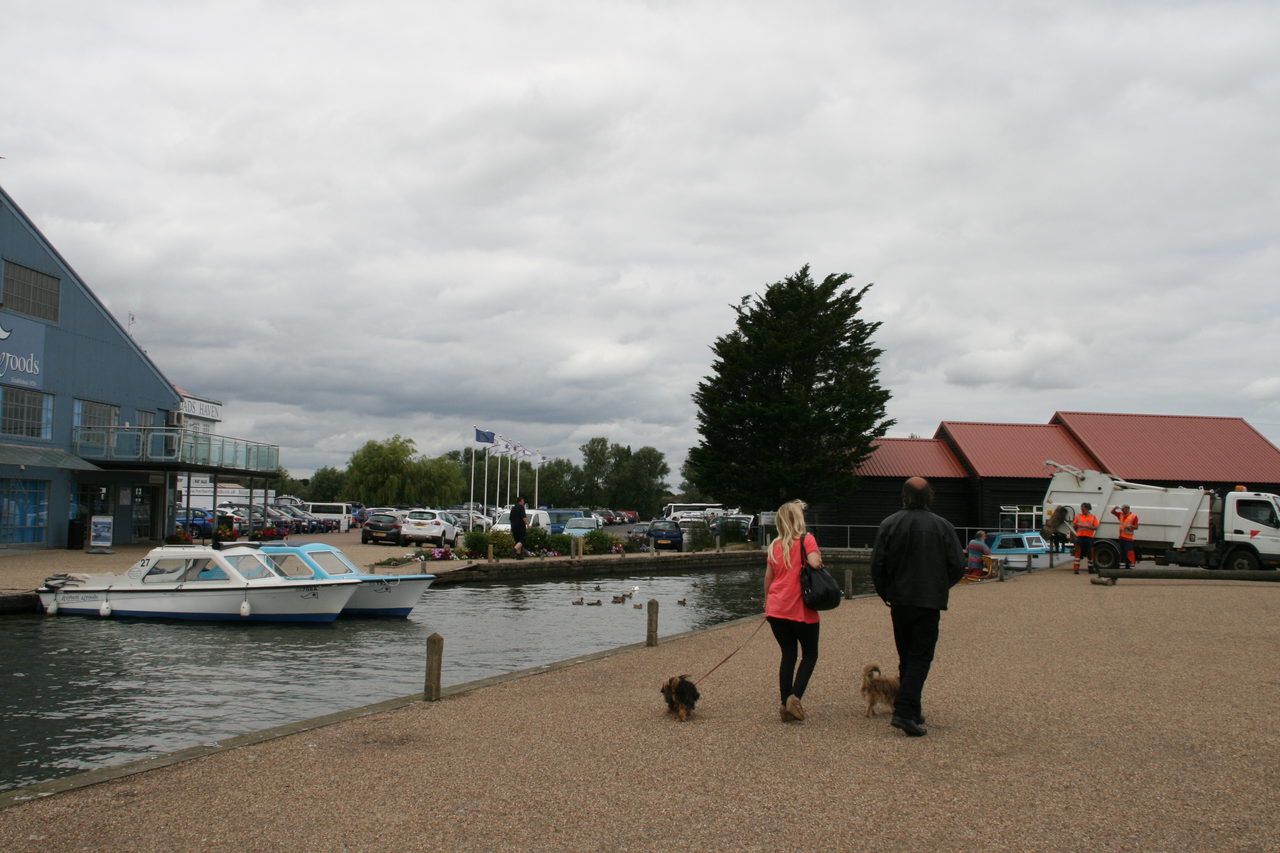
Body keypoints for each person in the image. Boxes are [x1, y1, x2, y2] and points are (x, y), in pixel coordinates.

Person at [871, 477, 964, 737]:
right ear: (929, 498)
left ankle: (912, 707)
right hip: (928, 600)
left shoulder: (889, 524)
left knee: (907, 655)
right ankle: (903, 711)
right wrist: (940, 586)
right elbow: (958, 564)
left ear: (904, 496)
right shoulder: (942, 526)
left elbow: (877, 565)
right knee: (921, 657)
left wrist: (885, 592)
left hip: (900, 600)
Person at [763, 499, 823, 723]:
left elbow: (768, 577)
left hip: (776, 609)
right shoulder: (807, 540)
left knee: (788, 654)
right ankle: (794, 698)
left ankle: (783, 702)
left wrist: (766, 602)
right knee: (810, 654)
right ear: (799, 519)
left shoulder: (774, 545)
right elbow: (815, 563)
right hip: (801, 609)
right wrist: (814, 557)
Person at [1073, 502, 1100, 574]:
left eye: (1083, 508)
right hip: (1080, 537)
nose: (1082, 509)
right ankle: (1076, 569)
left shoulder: (1093, 517)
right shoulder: (1078, 516)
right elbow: (1074, 525)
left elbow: (1096, 527)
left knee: (1090, 553)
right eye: (1081, 508)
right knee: (1078, 553)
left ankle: (1090, 569)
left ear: (1088, 509)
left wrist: (1089, 527)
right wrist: (1076, 526)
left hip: (1089, 537)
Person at [1110, 503, 1139, 570]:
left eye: (1123, 509)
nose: (1122, 510)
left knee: (1129, 553)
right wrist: (1115, 508)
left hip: (1129, 539)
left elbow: (1136, 527)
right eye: (1122, 509)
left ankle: (1131, 567)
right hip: (1121, 538)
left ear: (1127, 509)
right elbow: (1112, 512)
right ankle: (1122, 568)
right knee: (1122, 553)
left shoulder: (1133, 516)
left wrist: (1130, 526)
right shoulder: (1121, 515)